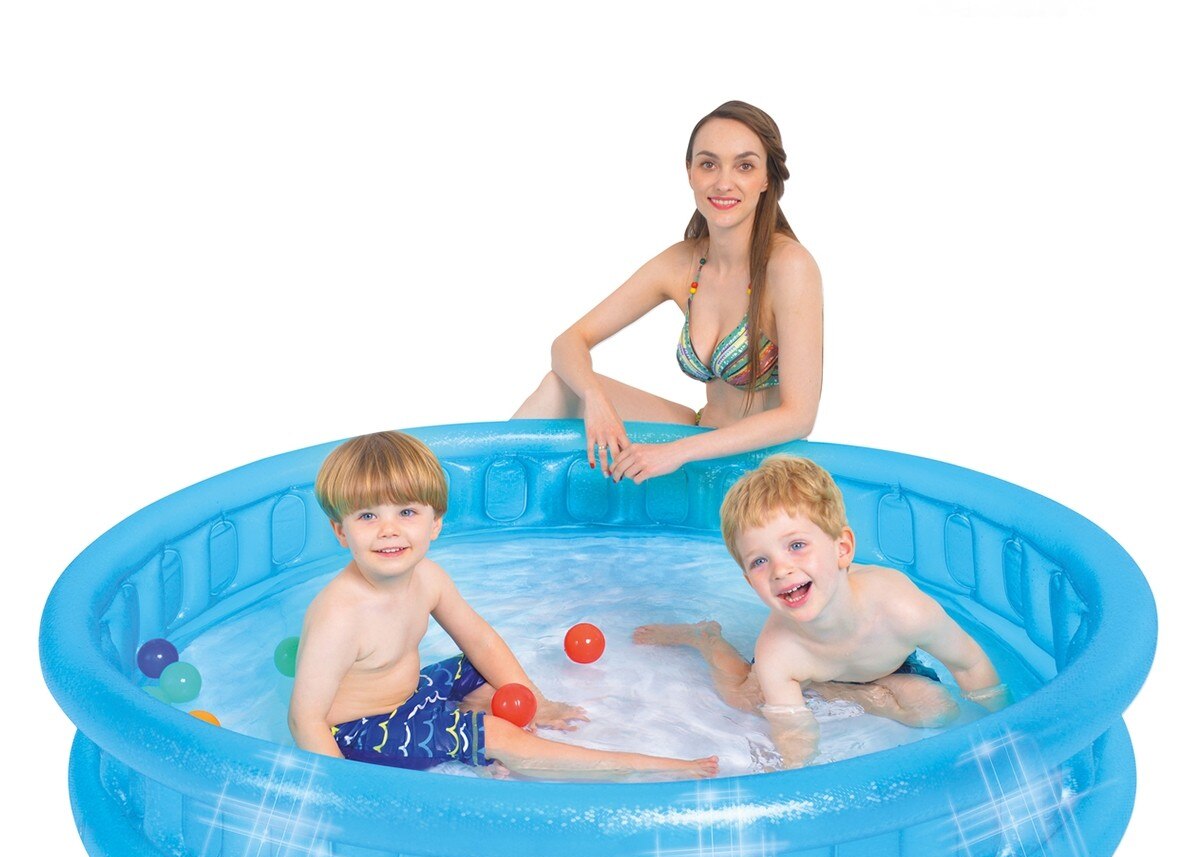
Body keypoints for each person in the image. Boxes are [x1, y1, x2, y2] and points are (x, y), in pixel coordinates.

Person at [288, 431, 718, 780]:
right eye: (367, 516)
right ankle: (647, 768)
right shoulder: (340, 615)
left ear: (435, 523)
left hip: (411, 696)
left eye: (406, 513)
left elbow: (480, 639)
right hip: (362, 732)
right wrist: (341, 796)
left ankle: (472, 739)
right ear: (340, 531)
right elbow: (305, 720)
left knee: (486, 671)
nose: (388, 530)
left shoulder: (428, 578)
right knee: (499, 732)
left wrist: (536, 700)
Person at [513, 100, 822, 484]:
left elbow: (799, 416)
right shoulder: (683, 263)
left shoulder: (789, 266)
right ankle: (475, 503)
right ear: (690, 172)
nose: (723, 182)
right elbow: (568, 341)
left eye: (744, 166)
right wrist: (595, 399)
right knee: (562, 387)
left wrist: (676, 452)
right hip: (698, 432)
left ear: (767, 179)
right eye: (709, 164)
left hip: (762, 468)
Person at [634, 455, 1009, 768]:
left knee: (937, 710)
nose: (780, 569)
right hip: (804, 668)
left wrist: (1006, 730)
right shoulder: (778, 651)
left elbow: (970, 665)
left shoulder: (901, 609)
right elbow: (793, 732)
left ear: (842, 549)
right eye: (760, 561)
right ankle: (706, 637)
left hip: (885, 669)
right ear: (750, 583)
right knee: (743, 699)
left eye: (796, 545)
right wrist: (793, 777)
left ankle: (828, 689)